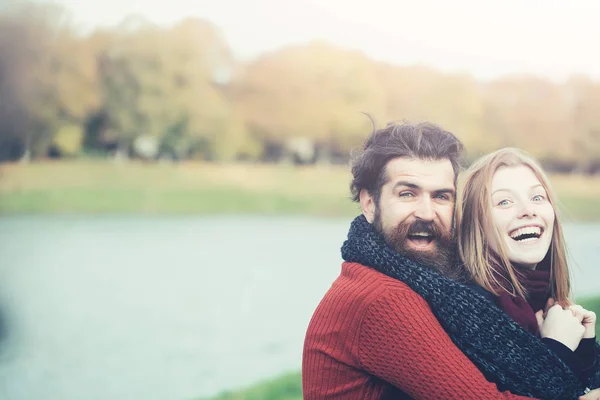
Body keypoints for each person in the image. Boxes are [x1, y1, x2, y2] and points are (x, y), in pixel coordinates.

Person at [302, 121, 600, 400]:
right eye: (407, 194)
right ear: (369, 203)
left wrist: (581, 350)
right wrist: (557, 348)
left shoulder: (427, 286)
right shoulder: (381, 299)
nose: (427, 213)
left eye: (441, 196)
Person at [456, 147, 598, 388]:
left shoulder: (546, 302)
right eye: (504, 201)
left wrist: (585, 349)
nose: (528, 210)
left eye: (537, 197)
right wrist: (556, 348)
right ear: (475, 225)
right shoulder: (470, 310)